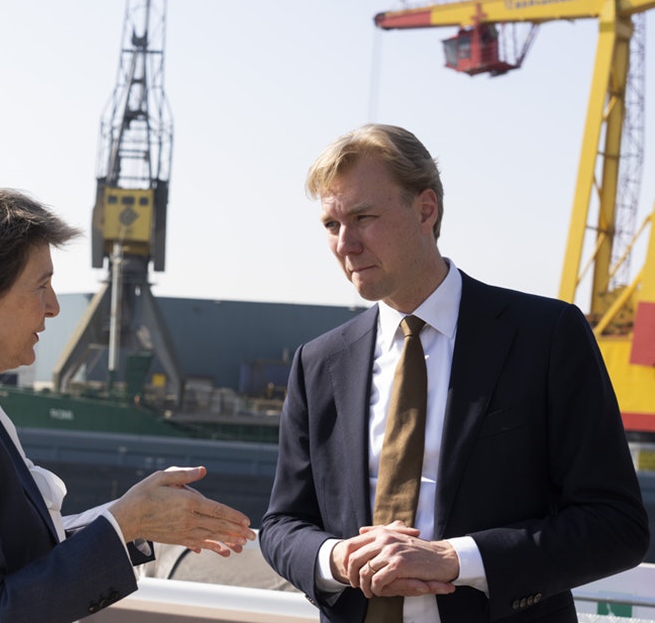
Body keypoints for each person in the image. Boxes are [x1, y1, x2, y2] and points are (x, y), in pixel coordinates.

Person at [260, 124, 650, 623]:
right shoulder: (317, 363)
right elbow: (281, 524)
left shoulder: (546, 337)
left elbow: (616, 526)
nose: (346, 244)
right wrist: (335, 559)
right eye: (331, 225)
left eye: (363, 217)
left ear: (426, 210)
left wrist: (456, 560)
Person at [0, 186, 256, 623]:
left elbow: (7, 552)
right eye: (41, 286)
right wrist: (122, 525)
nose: (52, 307)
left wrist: (131, 519)